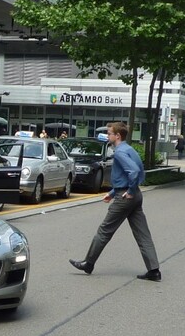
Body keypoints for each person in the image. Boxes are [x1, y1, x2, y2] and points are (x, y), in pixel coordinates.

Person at [69, 121, 161, 282]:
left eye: (110, 133)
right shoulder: (129, 149)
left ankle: (88, 263)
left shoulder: (119, 152)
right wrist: (113, 192)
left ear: (117, 136)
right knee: (143, 234)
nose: (107, 135)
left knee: (104, 231)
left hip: (125, 197)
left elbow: (133, 171)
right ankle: (154, 270)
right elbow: (140, 172)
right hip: (133, 195)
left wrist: (128, 191)